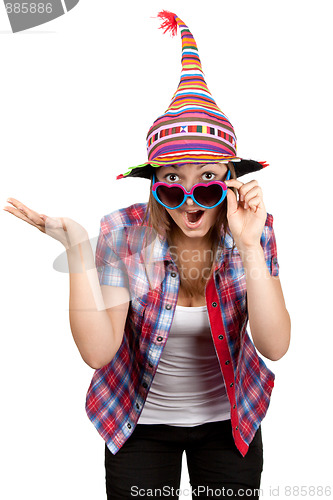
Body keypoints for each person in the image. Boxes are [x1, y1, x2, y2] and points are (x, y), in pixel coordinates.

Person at [3, 11, 291, 500]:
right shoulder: (124, 232)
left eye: (207, 179)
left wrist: (246, 242)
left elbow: (275, 344)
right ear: (155, 183)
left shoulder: (254, 233)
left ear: (230, 178)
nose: (190, 197)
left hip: (229, 422)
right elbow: (97, 352)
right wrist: (77, 249)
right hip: (137, 421)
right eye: (173, 181)